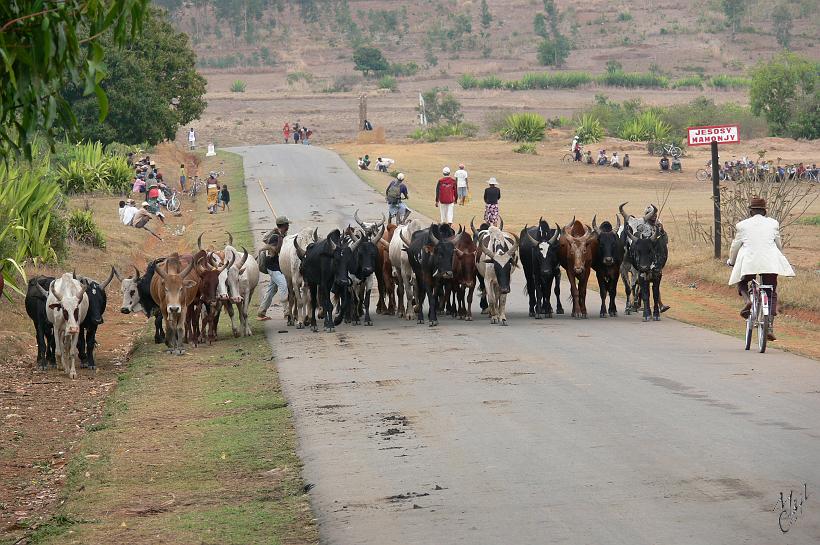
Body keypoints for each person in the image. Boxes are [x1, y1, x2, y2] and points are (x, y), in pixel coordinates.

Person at [727, 197, 795, 341]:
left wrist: (731, 261)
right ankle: (769, 325)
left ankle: (747, 302)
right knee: (770, 290)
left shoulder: (742, 225)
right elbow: (778, 244)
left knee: (743, 282)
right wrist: (781, 258)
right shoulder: (773, 223)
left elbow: (735, 247)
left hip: (749, 262)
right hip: (770, 262)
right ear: (764, 211)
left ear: (751, 211)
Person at [257, 216, 292, 321]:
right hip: (273, 267)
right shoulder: (274, 237)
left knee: (272, 289)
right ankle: (287, 312)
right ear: (284, 226)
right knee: (283, 285)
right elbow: (276, 249)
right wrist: (276, 233)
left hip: (279, 267)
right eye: (287, 224)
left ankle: (261, 312)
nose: (289, 226)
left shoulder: (284, 236)